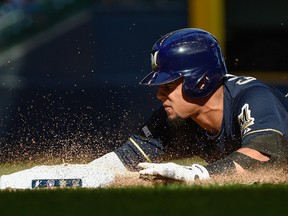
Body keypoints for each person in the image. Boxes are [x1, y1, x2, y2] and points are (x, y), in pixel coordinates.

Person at [1, 28, 288, 189]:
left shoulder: (253, 96)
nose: (160, 94)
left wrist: (196, 175)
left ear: (200, 81)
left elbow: (266, 157)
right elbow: (114, 164)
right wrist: (22, 179)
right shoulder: (173, 118)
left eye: (169, 84)